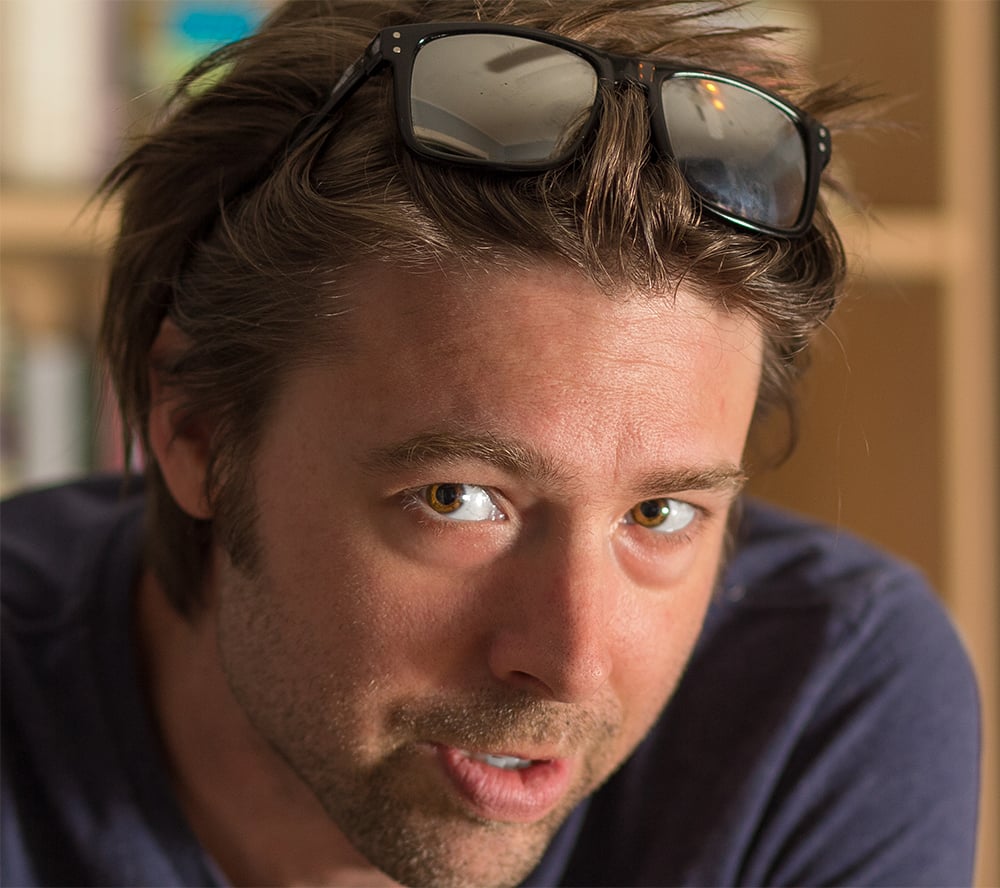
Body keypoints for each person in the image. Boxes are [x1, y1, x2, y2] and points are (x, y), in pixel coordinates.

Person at [1, 1, 980, 885]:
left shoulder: (822, 694)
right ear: (194, 432)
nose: (572, 663)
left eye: (659, 513)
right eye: (458, 499)